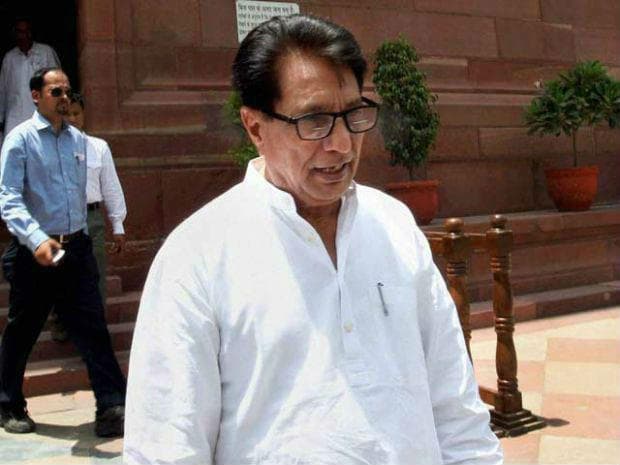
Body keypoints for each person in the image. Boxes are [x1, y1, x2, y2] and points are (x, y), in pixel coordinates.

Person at [124, 14, 503, 465]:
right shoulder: (198, 257)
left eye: (353, 115)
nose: (342, 143)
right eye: (315, 120)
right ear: (255, 127)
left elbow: (455, 409)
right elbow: (166, 448)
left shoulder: (394, 226)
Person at [0, 67, 126, 437]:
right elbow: (9, 199)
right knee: (23, 329)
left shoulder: (78, 141)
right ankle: (8, 404)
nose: (64, 98)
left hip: (76, 248)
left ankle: (111, 405)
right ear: (36, 96)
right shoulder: (20, 140)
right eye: (56, 92)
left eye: (67, 91)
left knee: (92, 327)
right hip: (38, 252)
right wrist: (36, 238)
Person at [47, 92, 128, 343]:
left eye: (76, 113)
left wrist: (118, 224)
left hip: (92, 220)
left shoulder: (98, 147)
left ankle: (94, 330)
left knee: (95, 275)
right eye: (66, 114)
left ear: (83, 115)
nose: (71, 118)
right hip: (60, 220)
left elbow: (111, 186)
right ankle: (61, 322)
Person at [0, 18, 60, 142]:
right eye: (20, 32)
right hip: (15, 117)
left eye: (26, 31)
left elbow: (58, 83)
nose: (23, 36)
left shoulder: (46, 52)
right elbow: (2, 90)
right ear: (15, 34)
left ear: (31, 33)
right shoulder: (9, 58)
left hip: (42, 114)